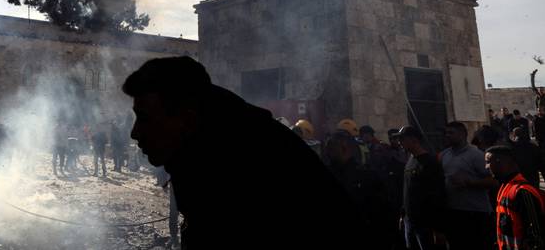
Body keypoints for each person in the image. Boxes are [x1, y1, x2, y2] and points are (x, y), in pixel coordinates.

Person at [122, 56, 365, 249]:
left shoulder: (243, 168)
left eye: (145, 118)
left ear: (186, 118)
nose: (135, 133)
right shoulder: (207, 152)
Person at [325, 130, 396, 249]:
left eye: (331, 147)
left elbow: (382, 214)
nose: (327, 151)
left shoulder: (366, 176)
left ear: (344, 147)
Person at [440, 121, 496, 250]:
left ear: (462, 134)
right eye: (446, 133)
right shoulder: (445, 155)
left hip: (475, 213)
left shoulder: (476, 155)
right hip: (454, 212)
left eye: (451, 133)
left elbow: (494, 180)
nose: (447, 135)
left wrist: (469, 182)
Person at [486, 145, 545, 250]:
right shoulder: (505, 187)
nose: (486, 167)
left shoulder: (522, 192)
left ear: (499, 161)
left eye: (488, 162)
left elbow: (536, 236)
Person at [395, 125, 446, 250]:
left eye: (403, 139)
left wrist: (438, 228)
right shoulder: (410, 160)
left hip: (426, 224)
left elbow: (438, 196)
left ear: (414, 140)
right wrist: (403, 214)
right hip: (410, 221)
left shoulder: (430, 162)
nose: (399, 142)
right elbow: (407, 189)